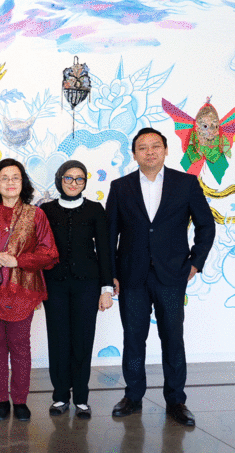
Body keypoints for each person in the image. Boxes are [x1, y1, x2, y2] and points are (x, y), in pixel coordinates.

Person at [106, 127, 215, 427]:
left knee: (172, 339)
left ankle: (176, 401)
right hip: (132, 277)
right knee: (133, 339)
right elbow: (109, 235)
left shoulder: (186, 183)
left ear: (167, 150)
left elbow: (206, 226)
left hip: (172, 275)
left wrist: (195, 263)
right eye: (143, 147)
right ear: (134, 154)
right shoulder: (120, 187)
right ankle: (133, 396)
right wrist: (112, 274)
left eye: (156, 146)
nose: (150, 151)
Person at [0, 158, 58, 422]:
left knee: (21, 346)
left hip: (23, 290)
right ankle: (1, 400)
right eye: (4, 178)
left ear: (23, 182)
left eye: (15, 177)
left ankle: (20, 400)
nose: (10, 182)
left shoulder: (37, 214)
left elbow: (49, 252)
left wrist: (18, 260)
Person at [40, 160, 113, 420]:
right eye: (68, 178)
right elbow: (38, 250)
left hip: (87, 285)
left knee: (83, 339)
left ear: (85, 182)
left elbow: (104, 250)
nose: (73, 183)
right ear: (59, 179)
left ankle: (81, 397)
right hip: (54, 284)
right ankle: (60, 396)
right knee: (58, 339)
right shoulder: (45, 210)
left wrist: (106, 288)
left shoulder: (95, 209)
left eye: (79, 179)